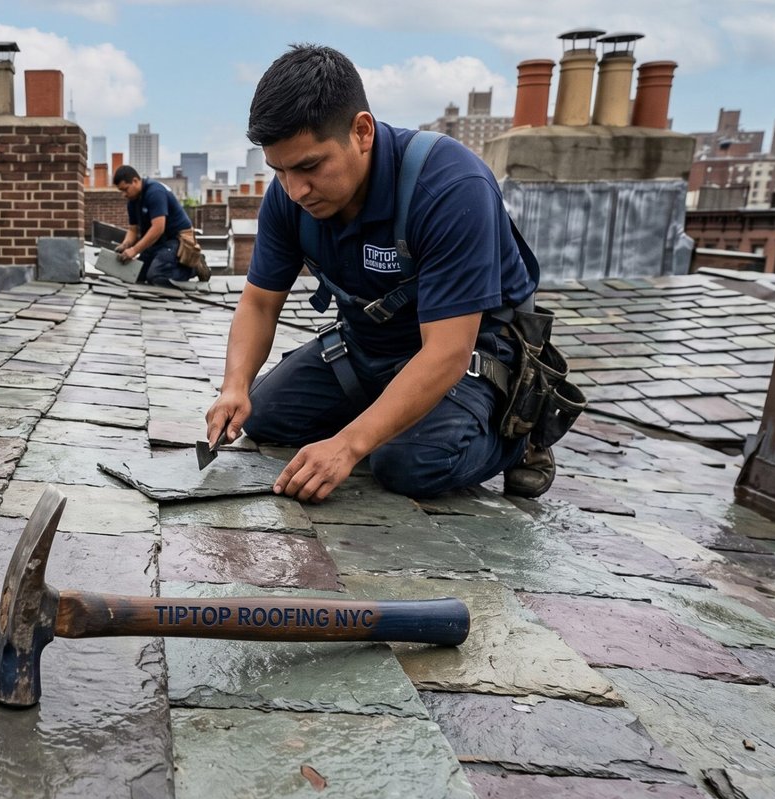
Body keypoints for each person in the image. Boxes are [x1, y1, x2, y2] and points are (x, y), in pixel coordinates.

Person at [203, 44, 556, 503]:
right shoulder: (289, 197)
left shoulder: (449, 187)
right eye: (280, 170)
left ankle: (519, 439)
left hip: (467, 356)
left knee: (409, 463)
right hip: (368, 347)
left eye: (310, 166)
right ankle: (388, 417)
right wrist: (235, 386)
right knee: (264, 416)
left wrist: (349, 445)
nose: (295, 190)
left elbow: (448, 352)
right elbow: (259, 302)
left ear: (362, 131)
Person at [114, 165, 194, 286]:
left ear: (135, 181)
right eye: (121, 191)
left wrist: (134, 250)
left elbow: (158, 228)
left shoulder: (154, 192)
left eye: (125, 189)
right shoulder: (132, 201)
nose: (124, 194)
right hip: (156, 243)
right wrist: (125, 245)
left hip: (176, 240)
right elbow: (133, 230)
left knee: (156, 277)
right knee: (135, 275)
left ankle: (192, 269)